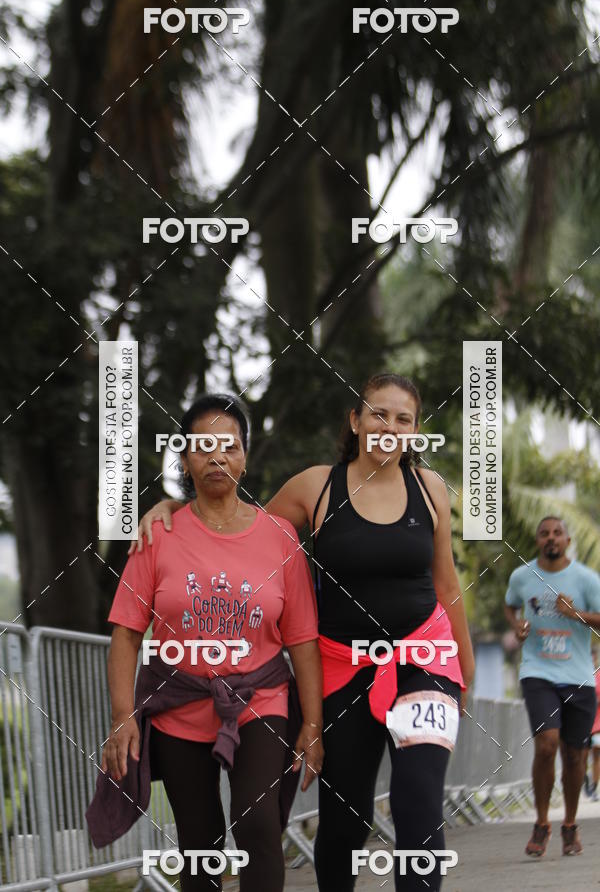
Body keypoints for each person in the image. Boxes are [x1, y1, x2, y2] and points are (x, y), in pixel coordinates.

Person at [133, 374, 475, 891]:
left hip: (425, 661)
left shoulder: (430, 492)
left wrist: (463, 669)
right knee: (347, 818)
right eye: (378, 414)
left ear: (415, 431)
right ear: (355, 422)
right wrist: (172, 510)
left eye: (403, 418)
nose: (389, 427)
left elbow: (447, 585)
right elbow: (234, 528)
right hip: (341, 668)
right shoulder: (315, 487)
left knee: (419, 807)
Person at [97, 394, 323, 892]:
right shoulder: (158, 534)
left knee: (258, 825)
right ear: (183, 457)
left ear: (244, 457)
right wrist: (122, 716)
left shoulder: (281, 538)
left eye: (230, 446)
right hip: (180, 705)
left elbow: (303, 641)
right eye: (204, 446)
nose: (217, 456)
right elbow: (127, 633)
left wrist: (312, 723)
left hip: (261, 700)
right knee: (199, 842)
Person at [504, 516, 600, 857]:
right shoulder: (521, 576)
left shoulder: (587, 580)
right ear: (537, 540)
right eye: (544, 533)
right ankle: (541, 823)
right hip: (537, 671)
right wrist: (517, 627)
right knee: (547, 745)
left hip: (578, 676)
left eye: (557, 533)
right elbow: (510, 604)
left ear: (568, 540)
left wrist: (577, 616)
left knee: (575, 756)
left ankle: (570, 825)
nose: (551, 538)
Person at [583, 646, 600, 801]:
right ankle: (585, 782)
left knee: (597, 753)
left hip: (597, 723)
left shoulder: (598, 676)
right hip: (582, 722)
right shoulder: (580, 676)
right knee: (582, 756)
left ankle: (594, 787)